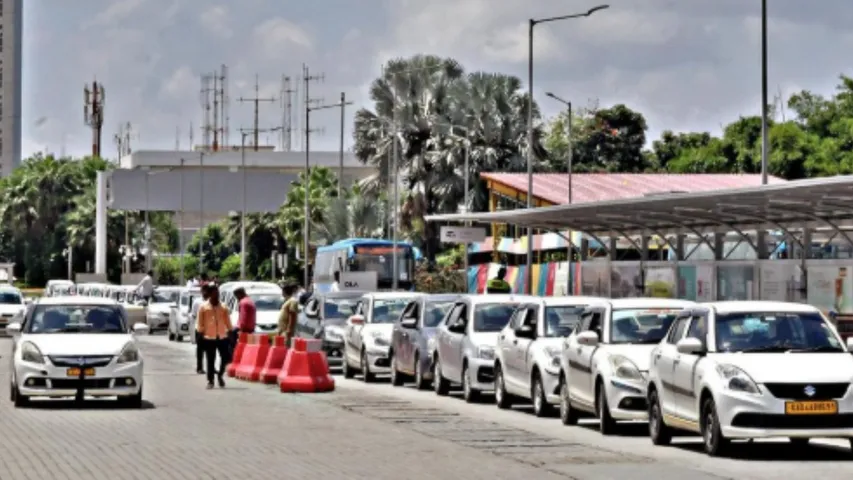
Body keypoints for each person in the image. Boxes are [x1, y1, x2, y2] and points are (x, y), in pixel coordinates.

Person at [196, 283, 232, 389]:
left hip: (222, 336)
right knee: (210, 359)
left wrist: (230, 333)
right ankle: (210, 381)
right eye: (215, 293)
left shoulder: (223, 307)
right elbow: (200, 322)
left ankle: (220, 375)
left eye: (218, 293)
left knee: (225, 357)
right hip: (209, 337)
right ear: (210, 294)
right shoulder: (203, 307)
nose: (217, 295)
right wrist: (200, 334)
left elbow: (228, 322)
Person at [192, 284, 211, 374]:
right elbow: (194, 315)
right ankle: (199, 367)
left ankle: (211, 367)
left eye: (207, 290)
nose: (205, 292)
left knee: (211, 349)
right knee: (200, 349)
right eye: (204, 290)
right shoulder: (197, 302)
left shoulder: (213, 301)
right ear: (201, 291)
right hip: (200, 329)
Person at [232, 287, 256, 352]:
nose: (236, 298)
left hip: (245, 328)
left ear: (239, 294)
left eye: (236, 296)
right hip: (251, 328)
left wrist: (241, 330)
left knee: (230, 336)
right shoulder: (250, 300)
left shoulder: (243, 302)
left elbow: (243, 317)